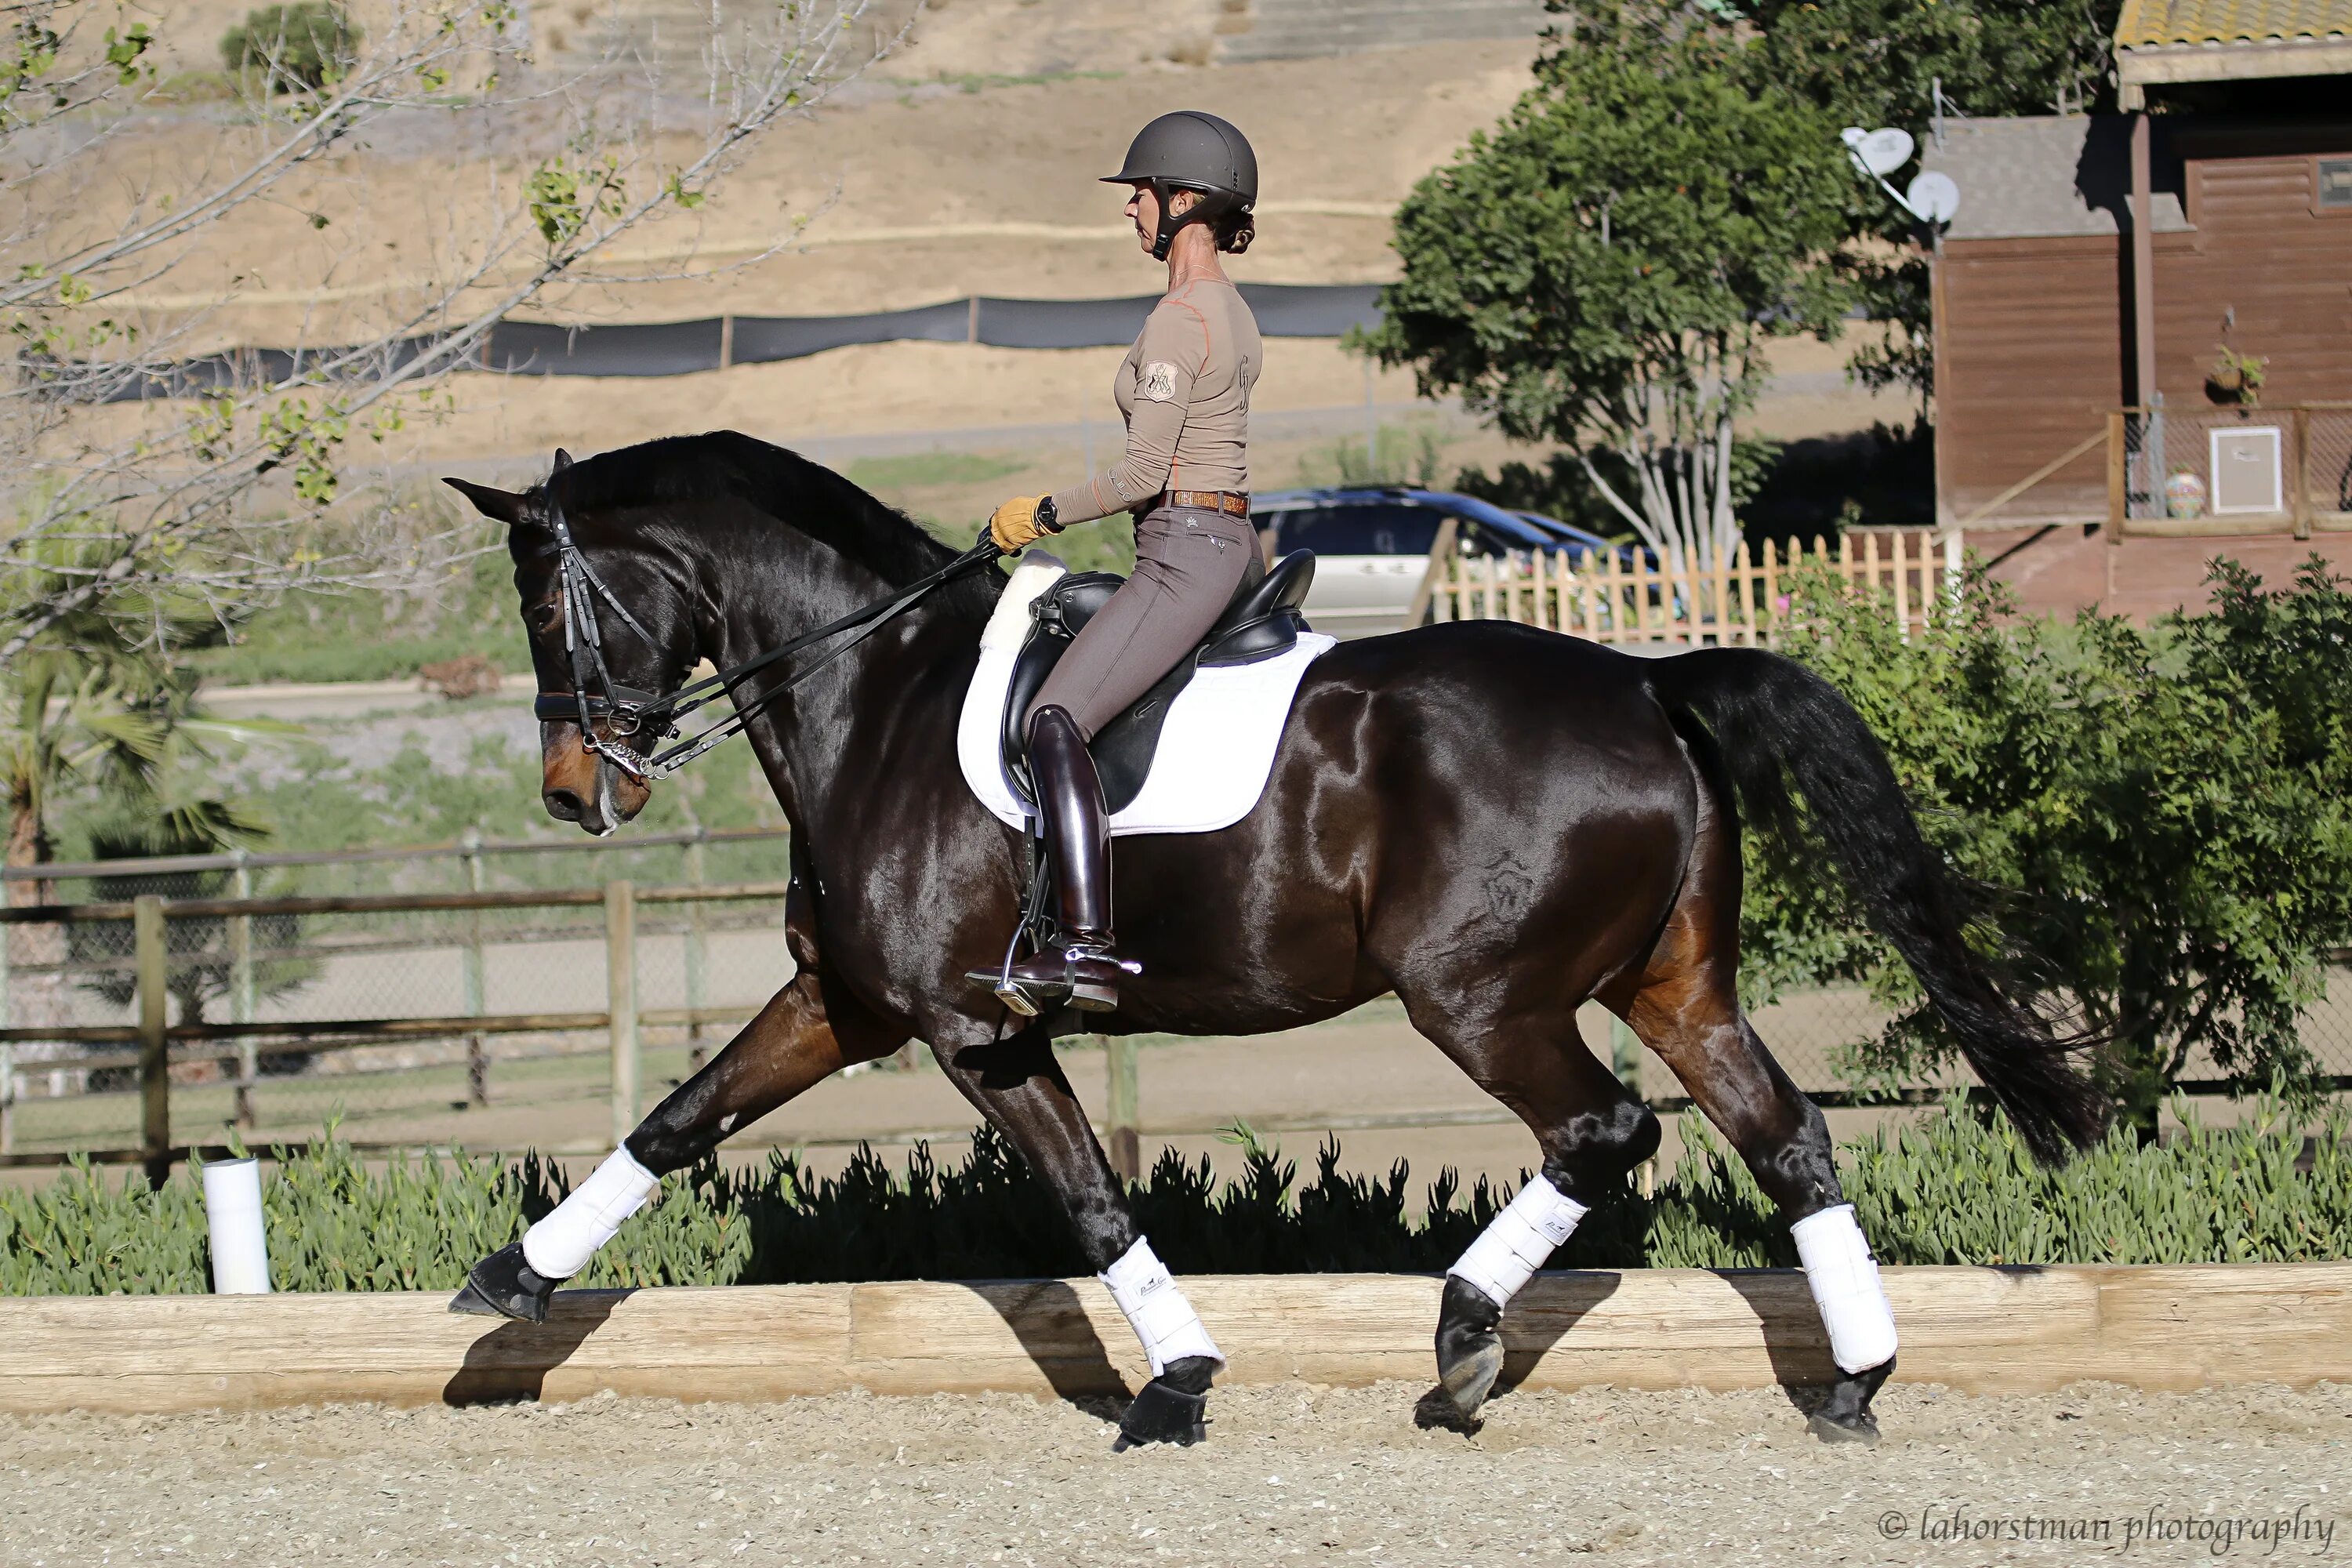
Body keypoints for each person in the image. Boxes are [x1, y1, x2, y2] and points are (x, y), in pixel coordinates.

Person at [982, 110, 1263, 1018]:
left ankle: (1088, 948)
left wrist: (1040, 514)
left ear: (1185, 202)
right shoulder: (1232, 308)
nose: (1131, 211)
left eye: (1140, 193)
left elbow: (1145, 471)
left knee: (1054, 716)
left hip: (1185, 549)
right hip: (1213, 539)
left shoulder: (1182, 319)